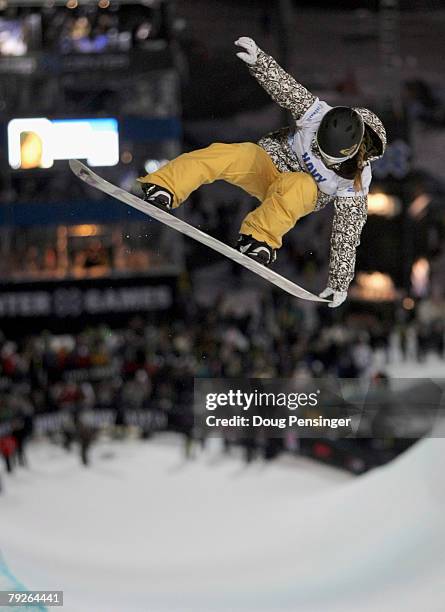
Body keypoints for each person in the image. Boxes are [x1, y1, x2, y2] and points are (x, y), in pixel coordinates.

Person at [138, 37, 387, 308]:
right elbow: (287, 89)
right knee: (230, 154)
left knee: (300, 184)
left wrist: (339, 282)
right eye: (318, 145)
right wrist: (260, 61)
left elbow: (347, 230)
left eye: (326, 156)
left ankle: (259, 238)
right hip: (268, 164)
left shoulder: (357, 179)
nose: (317, 153)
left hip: (298, 194)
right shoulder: (317, 113)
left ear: (348, 154)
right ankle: (165, 186)